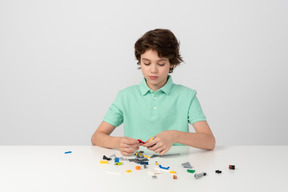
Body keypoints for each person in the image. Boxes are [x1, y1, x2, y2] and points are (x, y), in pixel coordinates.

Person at [91, 29, 215, 156]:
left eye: (161, 64)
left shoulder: (187, 96)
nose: (153, 70)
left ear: (171, 63)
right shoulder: (125, 96)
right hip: (136, 167)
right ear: (140, 61)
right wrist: (118, 142)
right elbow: (96, 137)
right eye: (147, 63)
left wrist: (174, 136)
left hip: (177, 169)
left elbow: (209, 141)